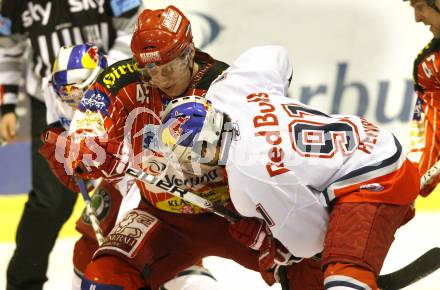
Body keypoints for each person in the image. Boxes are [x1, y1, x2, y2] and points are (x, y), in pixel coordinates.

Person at [158, 45, 421, 290]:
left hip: (376, 179)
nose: (189, 168)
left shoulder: (247, 177)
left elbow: (311, 244)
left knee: (343, 276)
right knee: (303, 279)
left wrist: (270, 240)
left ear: (204, 150)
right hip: (368, 144)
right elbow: (274, 54)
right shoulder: (228, 93)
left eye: (186, 158)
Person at [43, 5, 257, 290]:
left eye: (167, 68)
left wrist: (261, 209)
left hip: (229, 214)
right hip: (160, 215)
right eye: (149, 71)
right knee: (102, 277)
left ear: (188, 52)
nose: (160, 80)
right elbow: (91, 117)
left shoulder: (226, 86)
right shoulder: (122, 77)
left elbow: (260, 152)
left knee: (305, 264)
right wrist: (82, 145)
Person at [0, 1, 143, 289]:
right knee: (50, 202)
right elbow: (8, 47)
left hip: (110, 96)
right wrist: (8, 105)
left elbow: (131, 29)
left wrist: (101, 81)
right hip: (51, 103)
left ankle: (147, 272)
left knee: (127, 187)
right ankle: (22, 283)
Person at [404, 0, 440, 196]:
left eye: (420, 7)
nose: (417, 18)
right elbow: (428, 137)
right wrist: (412, 182)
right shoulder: (427, 65)